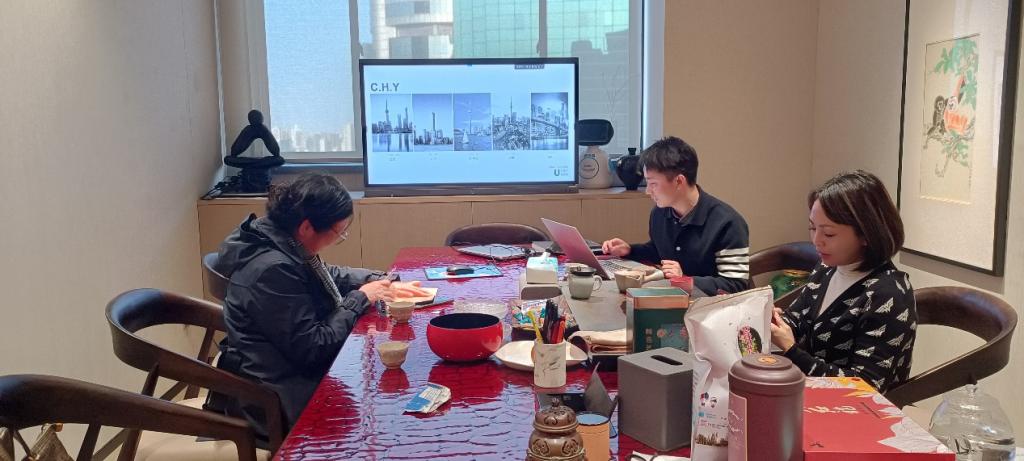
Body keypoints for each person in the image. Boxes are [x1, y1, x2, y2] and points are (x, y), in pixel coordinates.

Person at [211, 172, 428, 437]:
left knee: (385, 391)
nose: (339, 239)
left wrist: (378, 281)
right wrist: (359, 298)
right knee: (385, 414)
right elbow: (315, 348)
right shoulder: (271, 271)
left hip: (290, 374)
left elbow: (326, 274)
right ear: (306, 227)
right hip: (276, 399)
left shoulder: (276, 239)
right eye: (339, 233)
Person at [770, 170, 916, 392]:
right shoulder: (828, 268)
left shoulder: (888, 294)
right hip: (809, 393)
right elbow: (798, 320)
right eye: (813, 228)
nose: (817, 241)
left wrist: (792, 351)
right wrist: (772, 320)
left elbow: (865, 386)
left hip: (853, 407)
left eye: (828, 234)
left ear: (866, 234)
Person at [601, 136, 750, 295]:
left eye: (653, 184)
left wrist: (685, 280)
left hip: (711, 307)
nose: (648, 191)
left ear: (679, 181)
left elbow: (736, 285)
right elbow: (660, 251)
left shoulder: (727, 223)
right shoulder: (660, 213)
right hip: (674, 301)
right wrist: (629, 250)